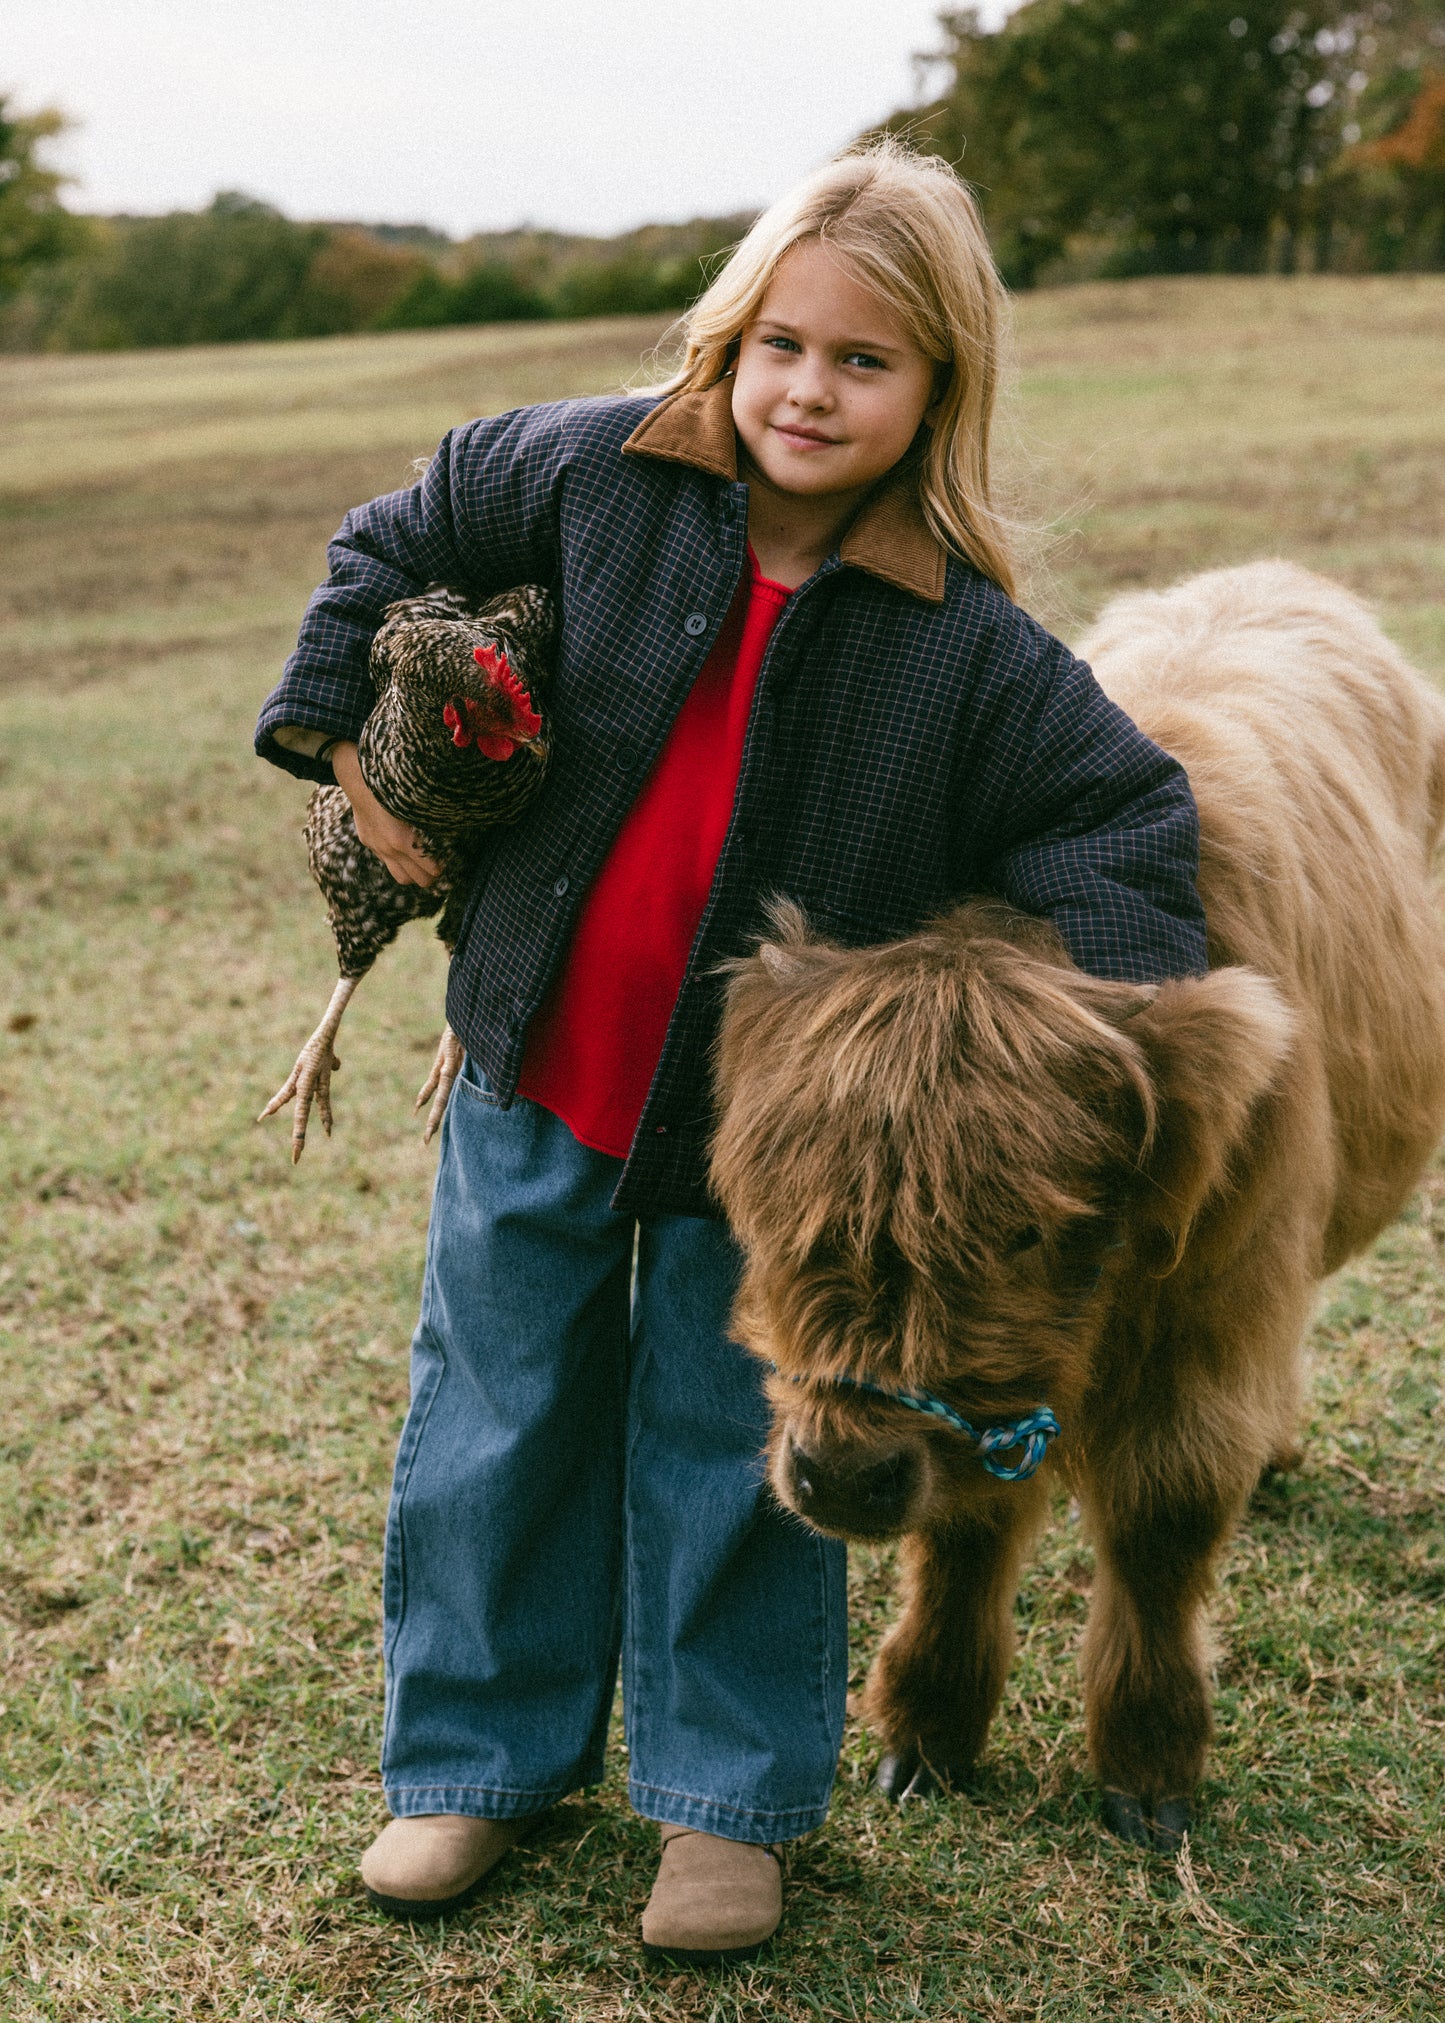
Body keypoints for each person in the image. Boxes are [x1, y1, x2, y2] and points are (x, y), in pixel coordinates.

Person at [254, 139, 1206, 1963]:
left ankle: (726, 1808)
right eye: (783, 342)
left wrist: (1050, 1039)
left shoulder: (972, 648)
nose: (808, 389)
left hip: (769, 1163)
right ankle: (471, 1764)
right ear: (730, 332)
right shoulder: (586, 473)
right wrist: (349, 758)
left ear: (940, 390)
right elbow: (389, 545)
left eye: (866, 362)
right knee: (495, 1418)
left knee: (732, 1445)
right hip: (536, 1061)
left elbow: (1125, 823)